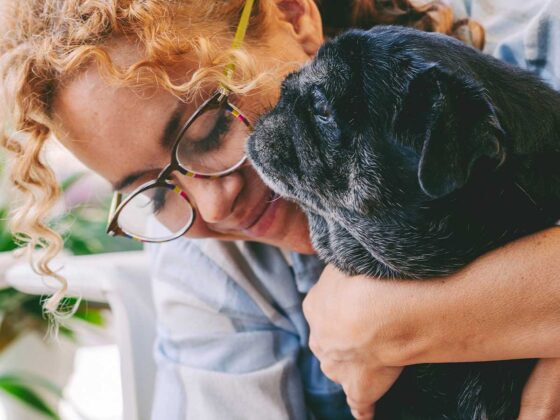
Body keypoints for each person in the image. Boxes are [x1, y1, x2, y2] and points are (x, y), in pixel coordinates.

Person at [0, 0, 558, 419]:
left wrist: (387, 323)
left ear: (293, 16)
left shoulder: (539, 56)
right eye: (156, 189)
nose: (216, 203)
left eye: (213, 126)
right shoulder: (211, 265)